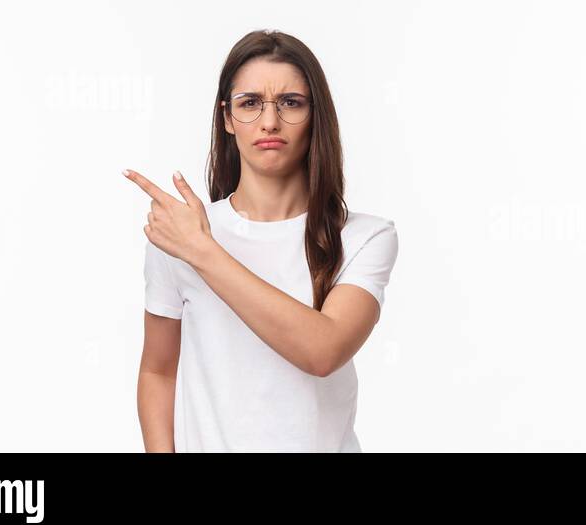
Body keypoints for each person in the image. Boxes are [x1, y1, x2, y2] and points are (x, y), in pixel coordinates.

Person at [126, 29, 398, 452]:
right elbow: (158, 372)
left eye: (290, 103)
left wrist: (203, 253)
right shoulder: (181, 237)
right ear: (227, 118)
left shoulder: (365, 237)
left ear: (315, 115)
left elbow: (323, 351)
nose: (269, 121)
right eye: (250, 103)